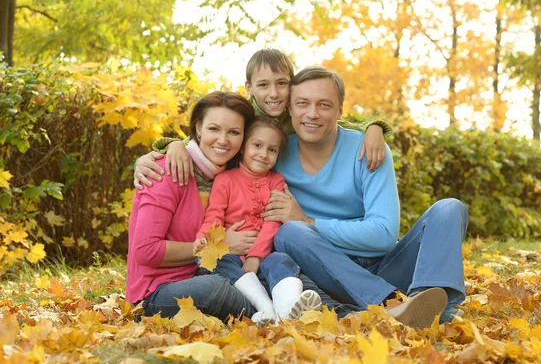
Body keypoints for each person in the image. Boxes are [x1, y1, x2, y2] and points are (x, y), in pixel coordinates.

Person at [261, 66, 469, 330]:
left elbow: (383, 235)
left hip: (384, 267)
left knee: (450, 209)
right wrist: (188, 149)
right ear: (289, 108)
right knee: (289, 233)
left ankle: (426, 303)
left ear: (340, 111)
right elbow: (236, 133)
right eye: (302, 103)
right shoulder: (274, 152)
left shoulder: (369, 149)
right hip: (325, 275)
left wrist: (309, 220)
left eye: (324, 105)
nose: (312, 114)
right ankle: (390, 302)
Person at [136, 48, 394, 190]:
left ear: (291, 85)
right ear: (248, 86)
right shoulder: (242, 115)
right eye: (263, 85)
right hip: (231, 188)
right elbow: (201, 139)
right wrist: (172, 145)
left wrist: (373, 128)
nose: (274, 93)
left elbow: (336, 124)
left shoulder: (296, 115)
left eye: (282, 83)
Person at [126, 91, 263, 320]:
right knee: (216, 289)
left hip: (209, 273)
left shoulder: (230, 175)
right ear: (198, 127)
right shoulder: (165, 170)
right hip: (157, 291)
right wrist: (216, 245)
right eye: (214, 129)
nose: (223, 140)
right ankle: (275, 316)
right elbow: (146, 250)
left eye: (234, 132)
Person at [194, 116, 321, 325]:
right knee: (209, 256)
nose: (264, 154)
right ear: (243, 147)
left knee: (282, 261)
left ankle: (288, 310)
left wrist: (255, 256)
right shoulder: (226, 179)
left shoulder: (276, 181)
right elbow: (214, 215)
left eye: (272, 150)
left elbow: (273, 222)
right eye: (257, 145)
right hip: (232, 254)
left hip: (266, 253)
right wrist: (203, 237)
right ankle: (265, 308)